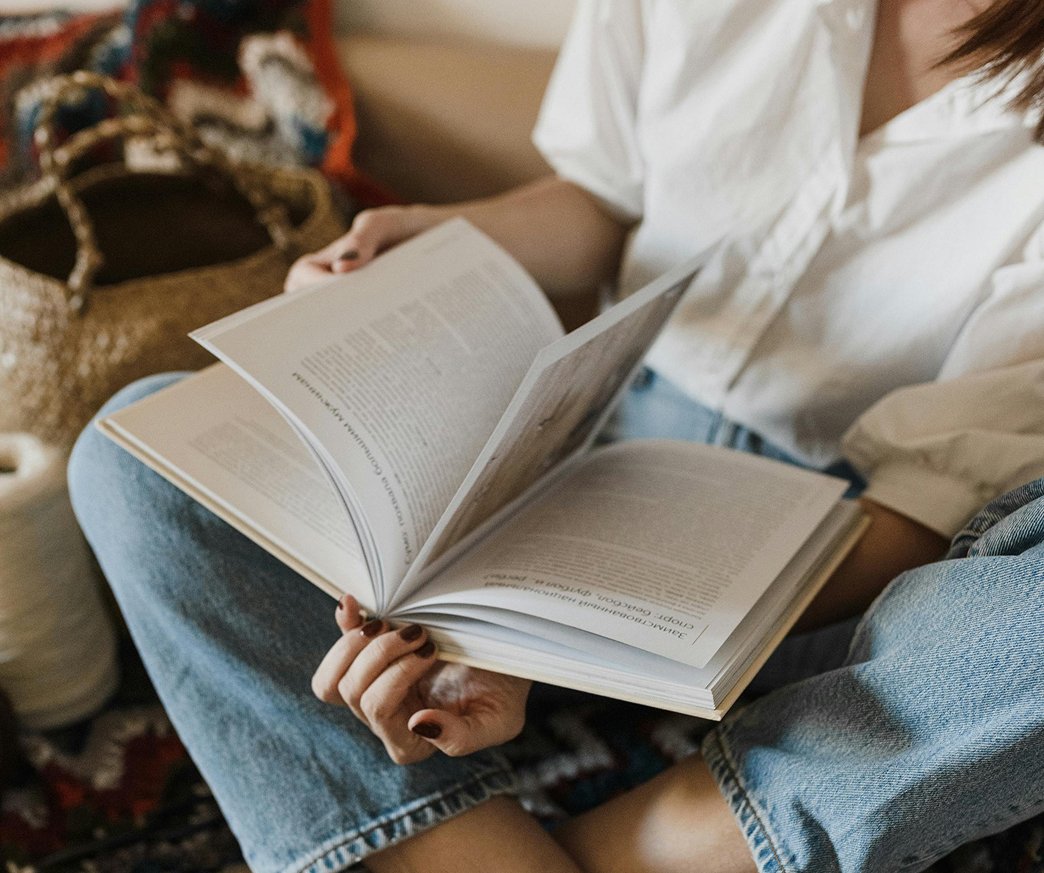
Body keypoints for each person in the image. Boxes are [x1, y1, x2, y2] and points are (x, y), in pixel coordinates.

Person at [68, 0, 1044, 871]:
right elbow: (607, 205)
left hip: (842, 561)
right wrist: (438, 247)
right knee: (137, 445)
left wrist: (555, 632)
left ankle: (641, 847)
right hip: (590, 438)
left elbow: (920, 510)